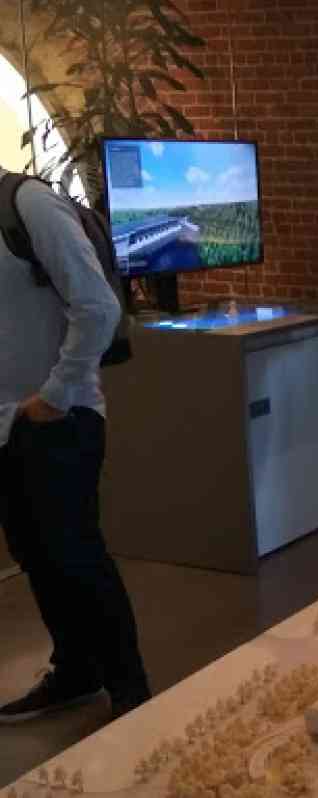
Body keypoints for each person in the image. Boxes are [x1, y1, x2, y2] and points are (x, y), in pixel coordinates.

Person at [0, 171, 151, 723]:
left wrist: (57, 394)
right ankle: (76, 670)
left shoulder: (29, 204)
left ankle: (131, 691)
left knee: (75, 555)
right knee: (37, 556)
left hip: (59, 419)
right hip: (8, 425)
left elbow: (98, 307)